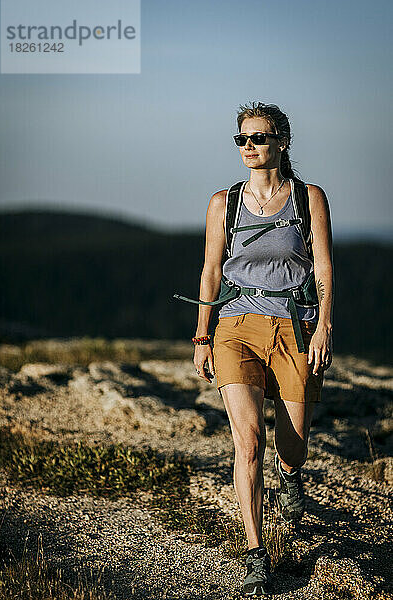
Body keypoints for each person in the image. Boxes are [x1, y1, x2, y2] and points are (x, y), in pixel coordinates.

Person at [192, 101, 334, 596]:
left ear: (282, 141)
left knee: (292, 443)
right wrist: (203, 335)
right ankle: (256, 553)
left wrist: (324, 326)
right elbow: (211, 270)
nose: (249, 147)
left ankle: (290, 474)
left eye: (258, 138)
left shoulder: (308, 197)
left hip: (295, 325)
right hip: (235, 326)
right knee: (248, 441)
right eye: (242, 140)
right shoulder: (223, 202)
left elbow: (322, 268)